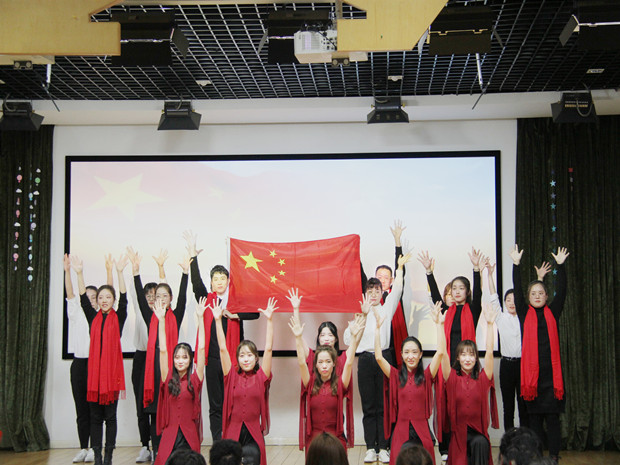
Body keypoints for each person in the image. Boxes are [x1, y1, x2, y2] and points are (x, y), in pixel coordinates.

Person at [184, 231, 259, 441]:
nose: (219, 282)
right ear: (211, 283)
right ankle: (218, 442)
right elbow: (195, 282)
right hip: (212, 360)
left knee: (233, 402)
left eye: (223, 278)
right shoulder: (206, 299)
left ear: (228, 281)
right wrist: (193, 256)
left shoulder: (234, 301)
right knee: (216, 405)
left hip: (233, 360)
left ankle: (234, 440)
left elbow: (255, 313)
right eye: (215, 279)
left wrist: (235, 315)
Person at [344, 252, 412, 464]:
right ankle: (370, 448)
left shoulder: (386, 309)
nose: (373, 294)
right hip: (365, 360)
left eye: (377, 290)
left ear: (382, 292)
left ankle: (383, 447)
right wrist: (359, 321)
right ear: (365, 293)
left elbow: (398, 288)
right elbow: (346, 339)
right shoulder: (359, 312)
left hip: (384, 359)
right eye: (370, 291)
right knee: (369, 406)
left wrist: (399, 268)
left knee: (383, 406)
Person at [418, 248, 485, 462]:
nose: (457, 291)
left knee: (466, 407)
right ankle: (446, 448)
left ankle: (467, 443)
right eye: (454, 288)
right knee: (446, 407)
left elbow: (479, 294)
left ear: (467, 292)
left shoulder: (472, 311)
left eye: (461, 288)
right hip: (449, 368)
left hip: (467, 366)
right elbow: (437, 297)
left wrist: (476, 269)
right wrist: (429, 272)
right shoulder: (448, 312)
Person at [127, 246, 189, 463]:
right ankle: (157, 454)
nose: (161, 299)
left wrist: (185, 273)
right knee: (155, 414)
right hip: (153, 372)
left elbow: (183, 297)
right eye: (157, 296)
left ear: (170, 298)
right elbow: (139, 296)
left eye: (165, 295)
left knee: (172, 412)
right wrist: (136, 272)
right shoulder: (150, 316)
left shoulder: (176, 314)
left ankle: (172, 452)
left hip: (172, 371)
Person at [510, 245, 569, 463]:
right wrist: (516, 265)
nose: (537, 296)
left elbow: (562, 291)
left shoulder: (553, 311)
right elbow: (516, 291)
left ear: (546, 296)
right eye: (533, 293)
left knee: (552, 420)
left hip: (551, 379)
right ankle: (535, 456)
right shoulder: (524, 314)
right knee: (534, 421)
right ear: (528, 297)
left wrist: (560, 266)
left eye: (541, 293)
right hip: (532, 381)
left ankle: (553, 456)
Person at [289, 292, 366, 453]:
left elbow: (352, 354)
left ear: (336, 339)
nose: (326, 338)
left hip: (334, 420)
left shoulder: (342, 360)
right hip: (316, 426)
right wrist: (296, 310)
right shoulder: (311, 360)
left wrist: (363, 318)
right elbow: (301, 358)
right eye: (322, 335)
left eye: (330, 335)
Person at [71, 254, 129, 465]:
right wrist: (79, 274)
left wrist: (119, 272)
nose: (104, 300)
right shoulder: (92, 317)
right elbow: (82, 298)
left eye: (108, 297)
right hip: (94, 379)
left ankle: (108, 457)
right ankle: (97, 456)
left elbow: (124, 298)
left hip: (111, 378)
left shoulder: (118, 317)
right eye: (101, 297)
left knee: (110, 419)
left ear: (113, 300)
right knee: (95, 419)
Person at [376, 301, 444, 465]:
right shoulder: (395, 375)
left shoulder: (427, 375)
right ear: (401, 354)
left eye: (414, 352)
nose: (410, 356)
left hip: (422, 429)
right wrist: (377, 329)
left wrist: (439, 325)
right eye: (406, 352)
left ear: (420, 355)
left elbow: (441, 352)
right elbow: (378, 357)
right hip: (401, 429)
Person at [211, 297, 276, 465]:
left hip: (254, 433)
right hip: (232, 433)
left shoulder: (261, 377)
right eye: (242, 355)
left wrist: (269, 320)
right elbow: (223, 348)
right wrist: (217, 320)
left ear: (256, 358)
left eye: (249, 355)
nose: (246, 359)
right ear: (238, 359)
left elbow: (269, 348)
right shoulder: (231, 376)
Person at [437, 294, 499, 465]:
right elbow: (442, 352)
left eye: (471, 355)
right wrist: (440, 325)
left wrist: (490, 325)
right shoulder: (452, 378)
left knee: (480, 443)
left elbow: (489, 352)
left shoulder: (483, 378)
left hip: (478, 433)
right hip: (458, 435)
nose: (467, 359)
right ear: (457, 358)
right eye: (463, 355)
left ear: (476, 358)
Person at [485, 257, 542, 432]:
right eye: (508, 300)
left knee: (524, 405)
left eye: (514, 299)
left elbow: (536, 298)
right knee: (508, 405)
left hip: (523, 365)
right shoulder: (501, 318)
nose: (511, 302)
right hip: (507, 365)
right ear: (505, 302)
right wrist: (490, 275)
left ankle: (525, 438)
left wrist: (540, 278)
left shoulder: (526, 317)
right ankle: (509, 439)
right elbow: (493, 297)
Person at [153, 292, 205, 465]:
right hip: (170, 435)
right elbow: (162, 350)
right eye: (177, 357)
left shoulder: (195, 379)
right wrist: (161, 320)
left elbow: (202, 348)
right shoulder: (167, 377)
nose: (180, 361)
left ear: (190, 360)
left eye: (184, 357)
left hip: (189, 435)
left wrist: (201, 319)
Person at [126, 249, 167, 463]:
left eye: (154, 295)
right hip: (142, 359)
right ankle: (145, 446)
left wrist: (161, 268)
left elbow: (165, 289)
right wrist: (135, 270)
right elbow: (134, 294)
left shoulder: (162, 315)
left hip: (158, 360)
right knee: (141, 407)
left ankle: (161, 446)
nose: (152, 299)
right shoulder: (142, 310)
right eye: (148, 296)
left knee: (159, 406)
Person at [64, 254, 99, 463]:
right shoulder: (76, 313)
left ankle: (95, 447)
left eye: (94, 297)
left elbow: (110, 292)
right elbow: (70, 294)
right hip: (78, 365)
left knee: (94, 409)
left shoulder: (100, 317)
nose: (91, 300)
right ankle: (84, 447)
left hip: (95, 366)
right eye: (88, 297)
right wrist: (68, 271)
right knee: (81, 409)